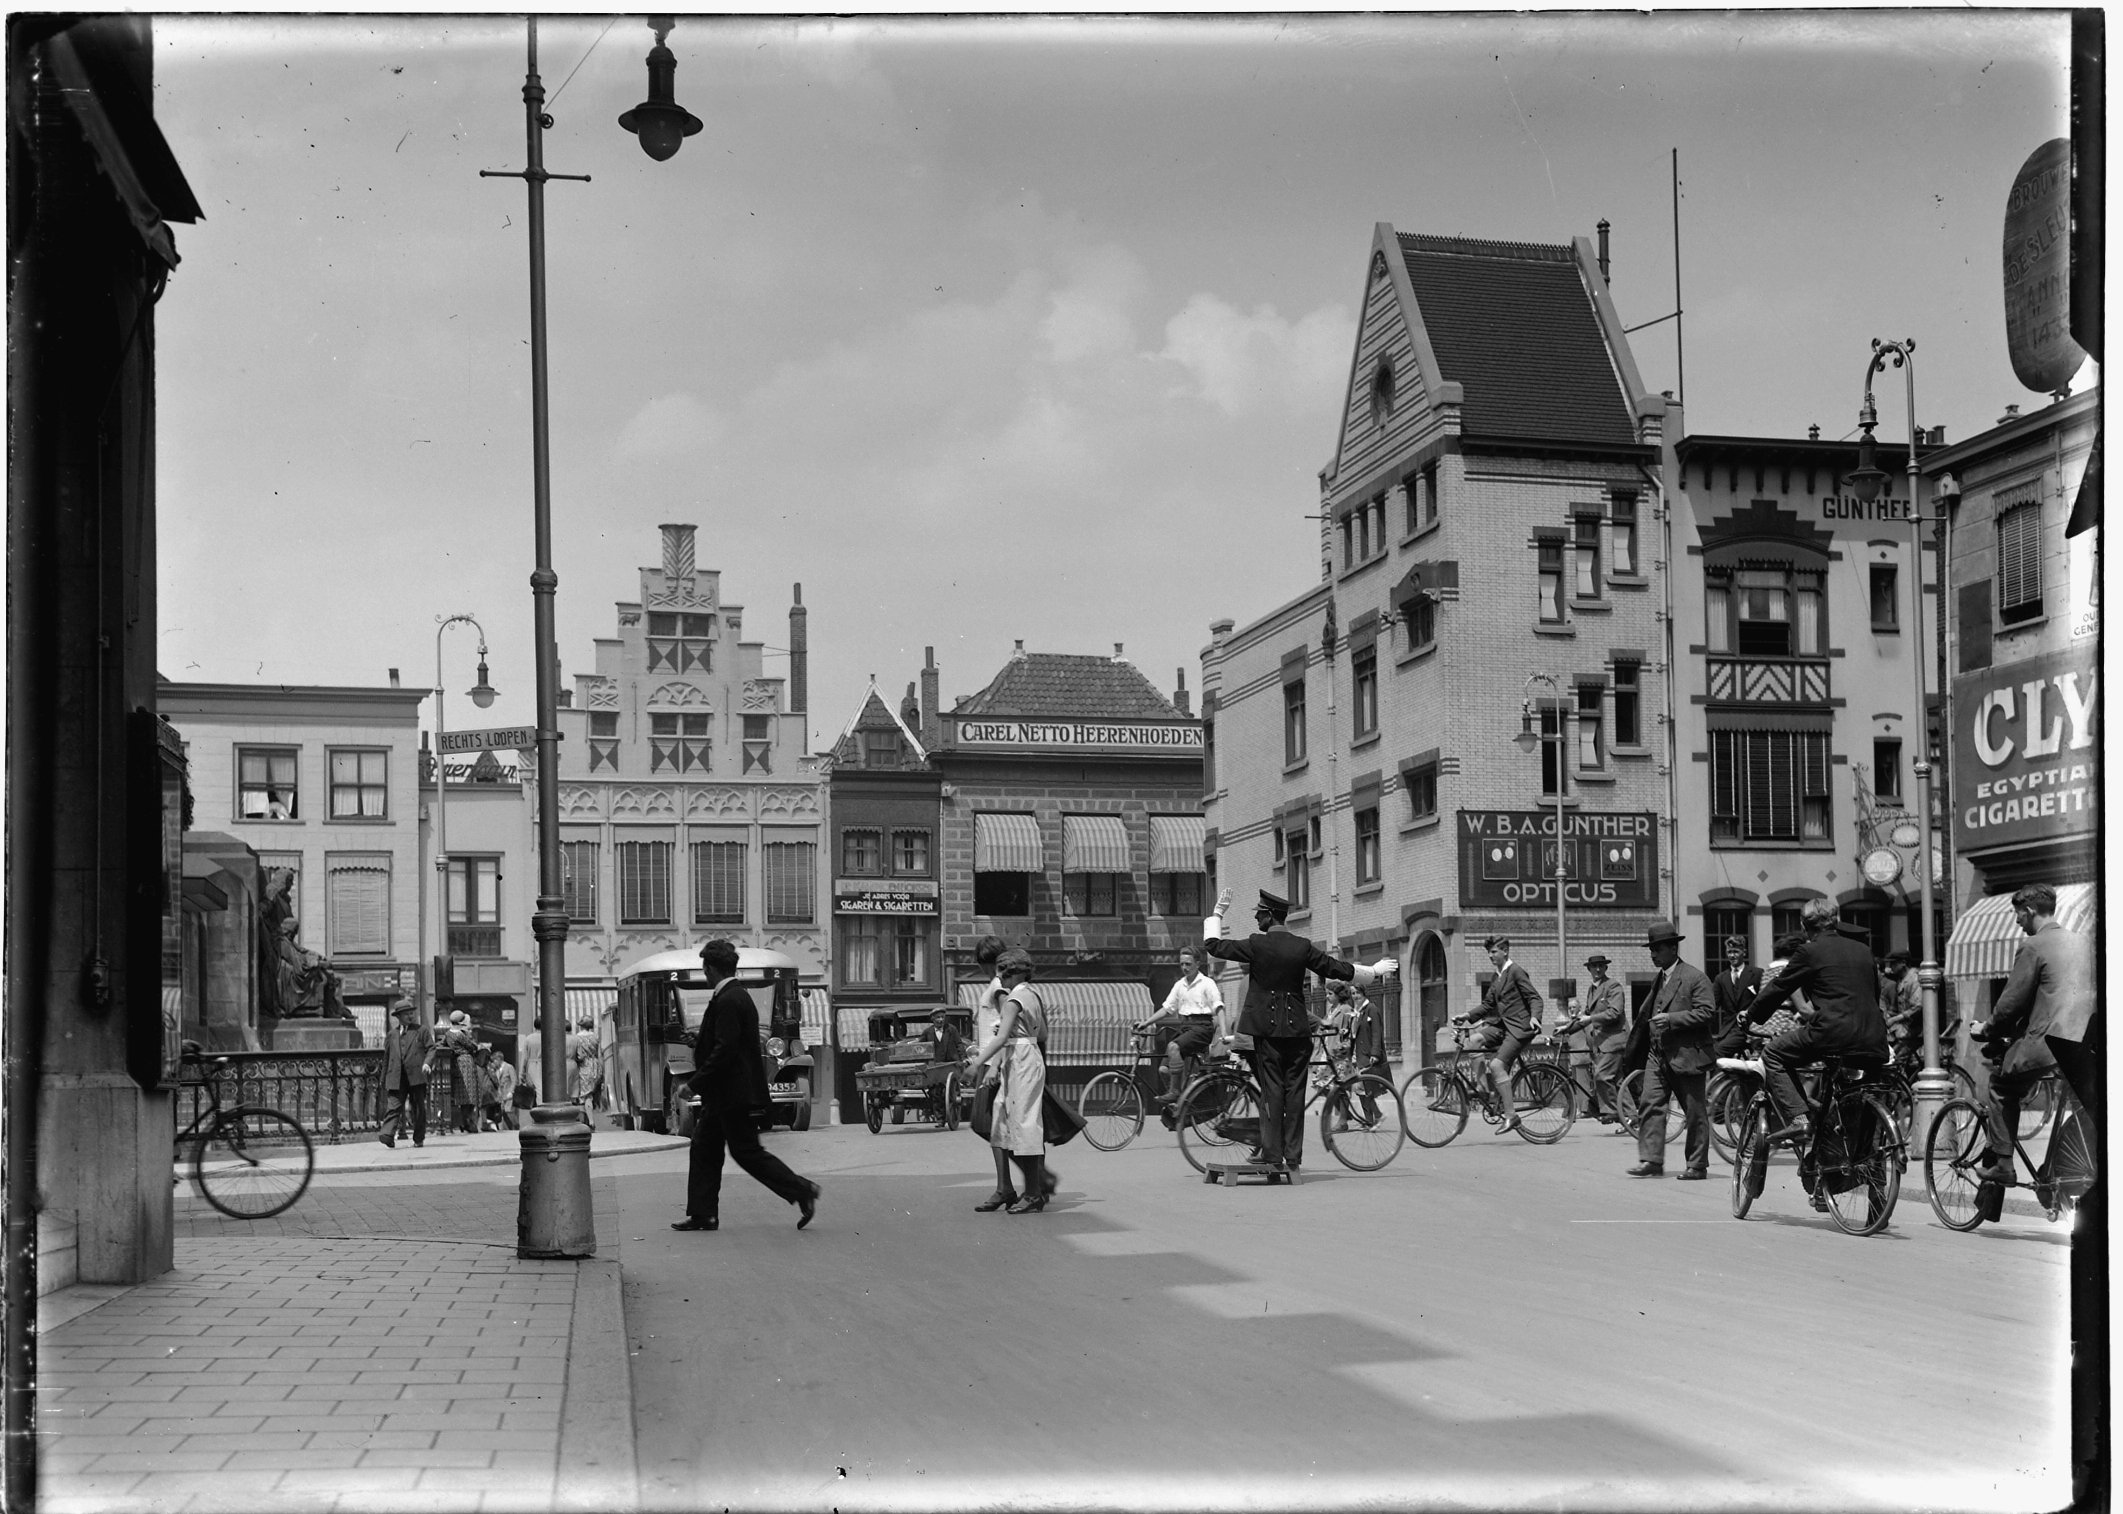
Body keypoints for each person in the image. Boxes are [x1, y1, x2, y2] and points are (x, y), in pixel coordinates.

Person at [1201, 888, 1397, 1169]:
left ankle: (1272, 1155)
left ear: (1270, 916)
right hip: (1297, 1031)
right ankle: (1293, 1157)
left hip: (1267, 1032)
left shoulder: (1256, 944)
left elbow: (1213, 946)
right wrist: (1373, 971)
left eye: (1259, 913)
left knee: (1272, 1092)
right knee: (1295, 1093)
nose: (1256, 918)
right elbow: (1335, 967)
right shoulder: (1302, 946)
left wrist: (1217, 913)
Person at [673, 938, 820, 1232]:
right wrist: (700, 1041)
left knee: (745, 1152)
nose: (704, 972)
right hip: (726, 1093)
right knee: (705, 1147)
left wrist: (694, 1084)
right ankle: (703, 1214)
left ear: (712, 968)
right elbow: (728, 1042)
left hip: (731, 1094)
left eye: (705, 967)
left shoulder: (728, 999)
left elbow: (725, 1050)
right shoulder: (735, 995)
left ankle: (802, 1189)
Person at [1970, 884, 2098, 1180]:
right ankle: (2059, 1167)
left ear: (2028, 911)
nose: (2017, 921)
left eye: (2017, 914)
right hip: (2084, 1044)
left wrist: (1985, 1029)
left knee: (2001, 1088)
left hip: (2049, 1045)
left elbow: (2011, 1004)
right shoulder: (2083, 942)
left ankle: (2004, 1166)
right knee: (2082, 1103)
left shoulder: (2033, 946)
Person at [1746, 897, 1890, 1150]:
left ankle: (1799, 1119)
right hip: (1873, 1036)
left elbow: (1780, 987)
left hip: (1832, 1033)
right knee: (1860, 1105)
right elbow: (1874, 995)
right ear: (1836, 921)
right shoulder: (1863, 950)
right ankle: (1871, 1167)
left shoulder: (1809, 951)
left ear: (1804, 926)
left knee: (1774, 1054)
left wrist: (1750, 1015)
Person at [1624, 922, 1718, 1179]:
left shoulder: (1695, 977)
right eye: (1651, 950)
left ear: (1673, 948)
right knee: (1650, 1104)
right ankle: (1651, 1160)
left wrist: (1672, 1019)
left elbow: (1707, 1012)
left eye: (1658, 949)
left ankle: (1697, 1165)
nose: (1653, 955)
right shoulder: (1659, 979)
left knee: (1694, 1111)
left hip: (1688, 1055)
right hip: (1658, 1054)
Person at [968, 947, 1058, 1213]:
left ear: (1012, 973)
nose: (999, 979)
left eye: (1002, 973)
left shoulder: (1012, 1001)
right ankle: (1022, 1189)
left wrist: (977, 1064)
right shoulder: (1032, 995)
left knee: (1023, 1124)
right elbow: (1043, 1034)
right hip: (1028, 1056)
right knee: (1005, 1120)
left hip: (1019, 1061)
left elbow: (1000, 1038)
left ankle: (1033, 1193)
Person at [1456, 935, 1540, 1136]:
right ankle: (1483, 1088)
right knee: (1473, 1041)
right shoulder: (1497, 976)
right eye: (1489, 952)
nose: (1490, 956)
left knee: (1496, 1066)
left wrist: (1535, 1017)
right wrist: (1467, 1015)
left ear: (1505, 951)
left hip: (1519, 1028)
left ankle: (1511, 1115)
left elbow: (1534, 997)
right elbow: (1487, 1005)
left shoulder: (1516, 971)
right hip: (1504, 1026)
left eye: (1494, 951)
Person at [965, 935, 1022, 1213]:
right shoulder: (995, 984)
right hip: (989, 1060)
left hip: (993, 1064)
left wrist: (994, 1064)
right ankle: (1012, 1184)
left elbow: (1005, 1027)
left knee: (987, 1123)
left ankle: (1012, 1184)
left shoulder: (998, 986)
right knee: (989, 1125)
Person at [1138, 948, 1226, 1106]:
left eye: (1188, 964)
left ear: (1197, 964)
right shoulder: (1180, 985)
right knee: (1163, 1070)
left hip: (1202, 1027)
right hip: (1185, 1027)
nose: (1184, 967)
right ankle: (1182, 1100)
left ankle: (1175, 1093)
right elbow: (1167, 1008)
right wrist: (1146, 1022)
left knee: (1173, 1046)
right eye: (1182, 964)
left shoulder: (1207, 983)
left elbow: (1219, 1007)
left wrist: (1224, 1033)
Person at [1554, 954, 1626, 1125]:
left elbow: (1615, 1012)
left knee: (1602, 1075)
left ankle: (1612, 1111)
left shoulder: (1613, 986)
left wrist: (1591, 1019)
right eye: (1594, 966)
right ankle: (1631, 1116)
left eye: (1601, 966)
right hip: (1601, 1043)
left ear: (1606, 968)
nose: (1598, 969)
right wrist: (1566, 1028)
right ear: (1589, 969)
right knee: (1618, 1081)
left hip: (1614, 1040)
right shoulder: (1591, 990)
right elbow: (1584, 1016)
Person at [376, 1000, 431, 1148]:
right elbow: (387, 1057)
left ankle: (418, 1138)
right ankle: (387, 1135)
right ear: (398, 1016)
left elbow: (431, 1049)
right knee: (393, 1106)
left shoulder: (421, 1031)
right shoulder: (392, 1035)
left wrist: (427, 1063)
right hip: (397, 1076)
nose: (410, 1016)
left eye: (411, 1013)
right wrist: (383, 1078)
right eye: (406, 1014)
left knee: (418, 1108)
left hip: (416, 1075)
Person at [1712, 936, 1762, 1059]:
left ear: (1744, 952)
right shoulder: (1721, 978)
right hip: (1727, 1030)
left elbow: (1763, 1000)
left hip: (1749, 1029)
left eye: (1736, 952)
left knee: (1718, 1052)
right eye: (1729, 952)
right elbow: (1712, 1005)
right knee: (1711, 1055)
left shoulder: (1757, 974)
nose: (1732, 956)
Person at [569, 1017, 604, 1109]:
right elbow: (599, 1054)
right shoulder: (596, 1037)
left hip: (583, 1066)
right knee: (591, 1094)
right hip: (595, 1065)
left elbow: (578, 1055)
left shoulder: (577, 1037)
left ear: (581, 1026)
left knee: (584, 1095)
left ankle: (587, 1115)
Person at [490, 1049, 519, 1131]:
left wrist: (511, 1092)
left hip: (508, 1092)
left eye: (495, 1060)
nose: (494, 1063)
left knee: (508, 1111)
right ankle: (505, 1129)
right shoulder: (497, 1069)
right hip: (501, 1094)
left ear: (499, 1059)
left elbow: (514, 1080)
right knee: (501, 1112)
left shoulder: (509, 1067)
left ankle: (516, 1125)